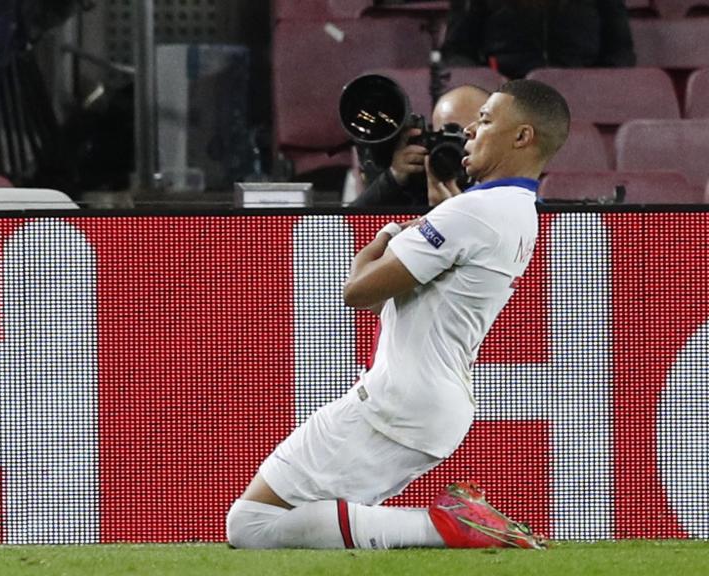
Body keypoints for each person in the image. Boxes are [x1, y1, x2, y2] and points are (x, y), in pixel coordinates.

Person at [226, 78, 571, 550]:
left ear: (523, 137)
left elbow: (359, 293)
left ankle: (452, 526)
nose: (470, 130)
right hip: (431, 406)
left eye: (486, 120)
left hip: (398, 402)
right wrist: (435, 218)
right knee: (311, 521)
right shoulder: (518, 210)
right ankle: (452, 524)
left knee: (251, 523)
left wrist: (386, 235)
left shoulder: (469, 214)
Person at [350, 84, 491, 208]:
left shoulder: (504, 188)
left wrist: (451, 215)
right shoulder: (418, 181)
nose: (457, 147)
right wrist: (393, 178)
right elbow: (349, 228)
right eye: (446, 135)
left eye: (469, 135)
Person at [441, 0, 636, 80]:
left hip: (584, 95)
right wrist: (488, 85)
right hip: (506, 99)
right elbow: (457, 52)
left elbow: (620, 53)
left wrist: (597, 86)